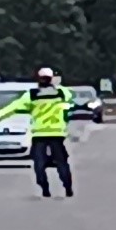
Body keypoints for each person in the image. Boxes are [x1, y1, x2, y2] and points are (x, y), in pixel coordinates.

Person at [22, 65, 75, 199]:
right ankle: (68, 187)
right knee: (61, 162)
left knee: (39, 163)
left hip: (39, 134)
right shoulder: (61, 92)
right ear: (52, 79)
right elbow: (69, 99)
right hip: (57, 134)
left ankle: (45, 189)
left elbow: (15, 106)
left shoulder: (32, 94)